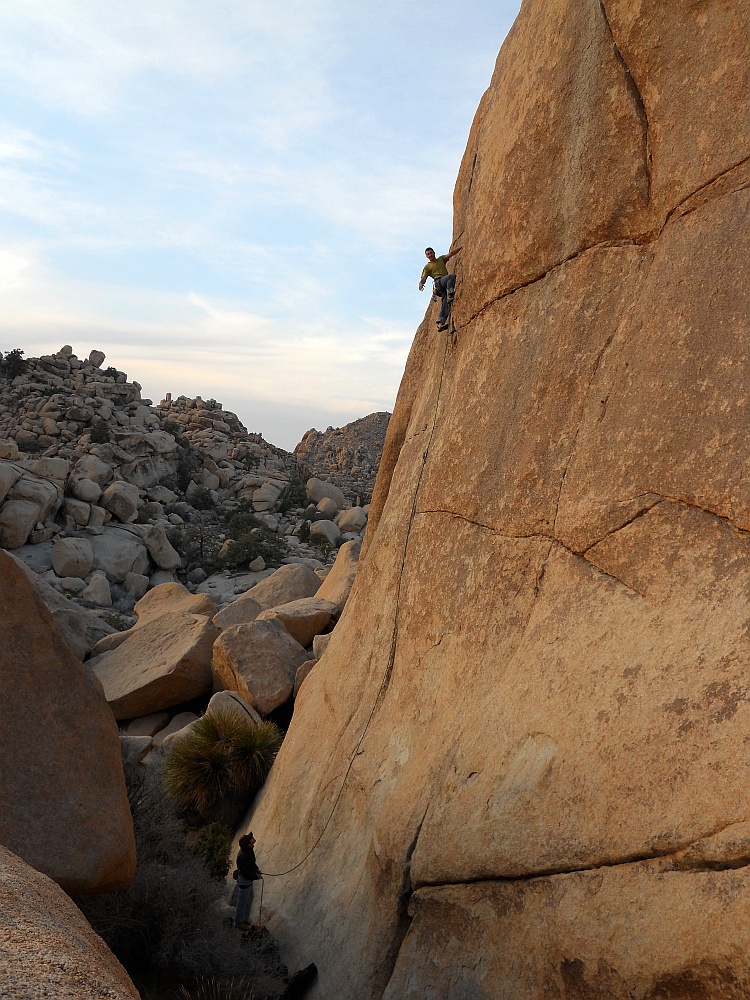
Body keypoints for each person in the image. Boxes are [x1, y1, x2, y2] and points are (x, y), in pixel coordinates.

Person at [419, 246, 462, 331]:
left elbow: (451, 253)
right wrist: (421, 283)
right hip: (438, 282)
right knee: (451, 277)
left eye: (431, 253)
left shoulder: (441, 259)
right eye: (428, 254)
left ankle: (440, 323)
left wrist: (460, 247)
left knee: (445, 304)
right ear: (426, 256)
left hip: (443, 285)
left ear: (434, 253)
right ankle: (450, 293)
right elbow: (424, 278)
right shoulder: (427, 267)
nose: (430, 255)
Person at [233, 831, 261, 931]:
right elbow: (246, 873)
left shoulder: (249, 849)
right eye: (251, 838)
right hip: (244, 881)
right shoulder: (243, 856)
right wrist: (256, 876)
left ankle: (244, 919)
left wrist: (256, 869)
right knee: (242, 901)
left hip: (248, 880)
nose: (253, 838)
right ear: (249, 842)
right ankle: (239, 922)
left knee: (249, 899)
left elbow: (252, 863)